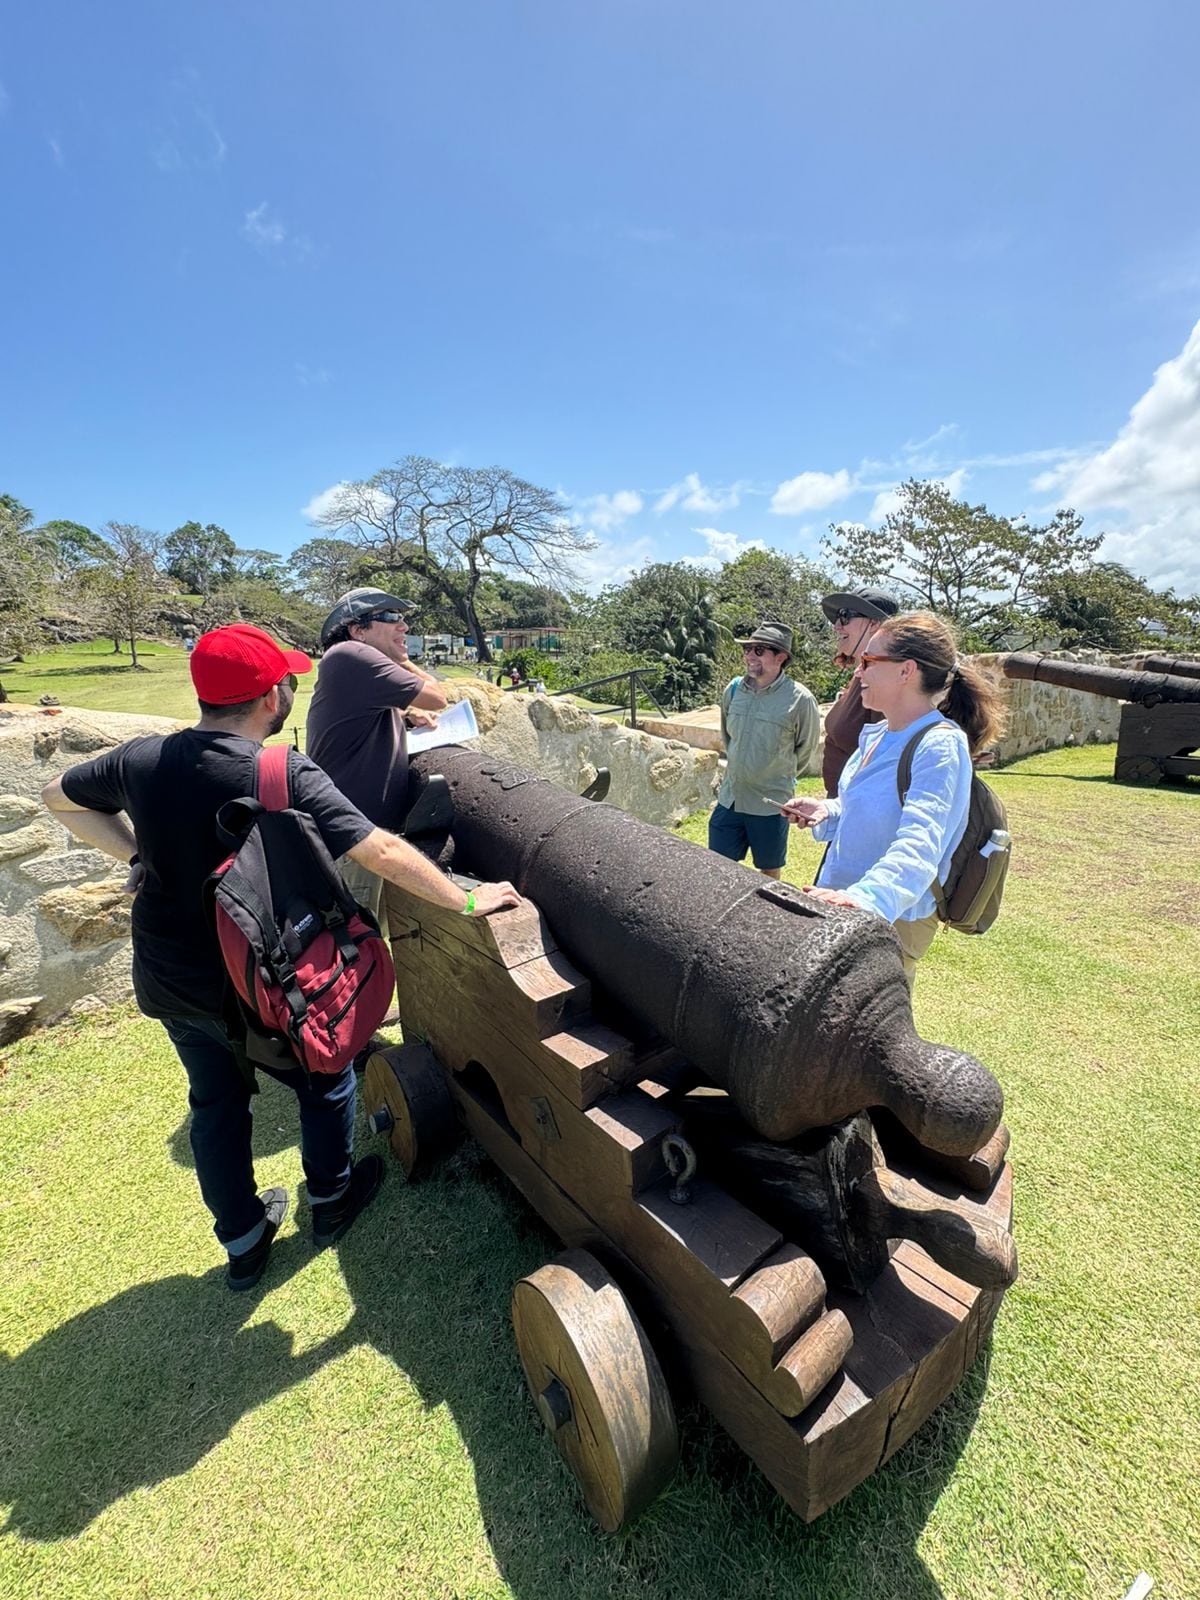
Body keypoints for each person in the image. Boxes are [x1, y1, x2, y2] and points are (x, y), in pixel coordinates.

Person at [42, 623, 521, 1291]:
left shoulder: (141, 759)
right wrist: (465, 902)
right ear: (272, 696)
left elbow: (56, 798)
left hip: (173, 975)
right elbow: (376, 850)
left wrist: (136, 855)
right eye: (286, 682)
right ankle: (331, 1199)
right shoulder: (279, 771)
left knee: (215, 1102)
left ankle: (243, 1239)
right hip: (268, 975)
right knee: (325, 1081)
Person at [781, 611, 1005, 981]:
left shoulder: (939, 746)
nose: (858, 672)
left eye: (869, 661)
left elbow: (921, 843)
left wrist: (867, 899)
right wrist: (825, 811)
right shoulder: (878, 734)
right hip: (845, 898)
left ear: (906, 671)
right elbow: (862, 808)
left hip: (890, 916)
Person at [307, 588, 448, 940]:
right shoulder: (350, 655)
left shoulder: (350, 661)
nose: (403, 626)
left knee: (367, 941)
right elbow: (438, 696)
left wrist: (403, 717)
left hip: (361, 833)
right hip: (354, 840)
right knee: (356, 945)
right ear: (357, 630)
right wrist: (403, 659)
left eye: (403, 618)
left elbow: (358, 723)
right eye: (389, 617)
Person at [708, 622, 820, 880]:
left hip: (770, 804)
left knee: (768, 871)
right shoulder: (734, 689)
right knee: (716, 867)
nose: (749, 655)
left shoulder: (801, 700)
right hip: (730, 799)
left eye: (758, 650)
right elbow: (728, 737)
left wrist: (773, 775)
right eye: (747, 648)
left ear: (780, 657)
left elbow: (805, 750)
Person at [818, 585, 899, 795]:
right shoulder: (860, 676)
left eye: (845, 616)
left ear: (873, 623)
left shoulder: (884, 681)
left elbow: (889, 756)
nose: (836, 626)